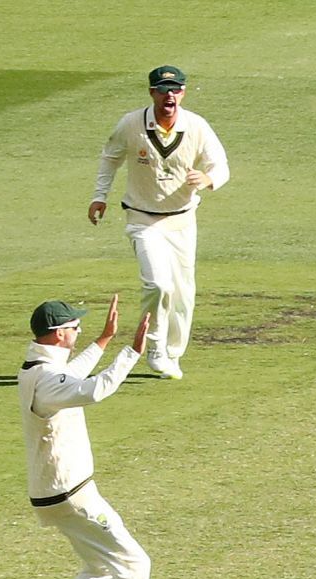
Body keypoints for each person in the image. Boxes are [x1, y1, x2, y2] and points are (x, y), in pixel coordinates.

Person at [17, 295, 222, 579]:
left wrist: (104, 340)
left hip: (57, 493)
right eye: (74, 327)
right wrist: (131, 352)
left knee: (102, 567)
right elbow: (92, 390)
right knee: (134, 563)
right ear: (60, 333)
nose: (77, 331)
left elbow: (70, 376)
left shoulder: (37, 368)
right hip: (72, 494)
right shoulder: (45, 381)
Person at [88, 65, 231, 380]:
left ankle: (173, 353)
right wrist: (99, 196)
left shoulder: (196, 126)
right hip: (142, 218)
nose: (171, 95)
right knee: (158, 284)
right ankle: (153, 347)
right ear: (152, 92)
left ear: (183, 92)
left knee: (182, 293)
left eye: (176, 89)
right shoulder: (131, 124)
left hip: (182, 221)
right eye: (164, 90)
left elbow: (221, 165)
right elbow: (111, 156)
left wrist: (207, 178)